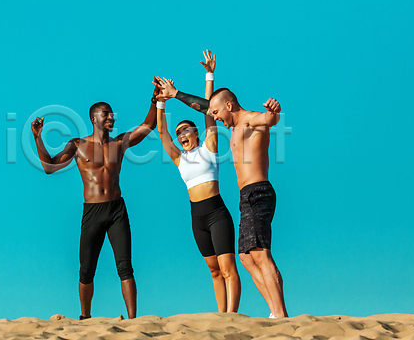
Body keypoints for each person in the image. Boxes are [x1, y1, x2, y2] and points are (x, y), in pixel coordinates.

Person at [156, 72, 288, 318]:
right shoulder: (232, 129)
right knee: (246, 258)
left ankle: (279, 314)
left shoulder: (244, 123)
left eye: (217, 113)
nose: (215, 117)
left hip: (255, 193)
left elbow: (267, 119)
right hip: (243, 197)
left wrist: (273, 112)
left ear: (228, 106)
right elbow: (207, 108)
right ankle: (274, 311)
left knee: (259, 254)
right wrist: (160, 103)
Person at [31, 86, 158, 320]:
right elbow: (49, 167)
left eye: (111, 114)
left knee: (125, 266)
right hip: (92, 211)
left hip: (116, 209)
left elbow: (149, 125)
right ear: (94, 118)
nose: (111, 117)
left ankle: (133, 321)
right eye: (105, 113)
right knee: (86, 270)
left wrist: (155, 100)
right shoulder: (78, 145)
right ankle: (85, 318)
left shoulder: (119, 143)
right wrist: (38, 137)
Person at [153, 50, 240, 313]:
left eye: (185, 130)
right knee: (214, 271)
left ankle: (232, 317)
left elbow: (208, 110)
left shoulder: (209, 147)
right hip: (196, 217)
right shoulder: (179, 159)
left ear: (196, 132)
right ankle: (221, 316)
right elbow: (161, 131)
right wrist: (160, 102)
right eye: (178, 132)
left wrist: (209, 75)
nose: (181, 135)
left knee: (228, 268)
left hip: (216, 213)